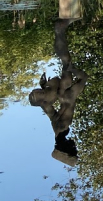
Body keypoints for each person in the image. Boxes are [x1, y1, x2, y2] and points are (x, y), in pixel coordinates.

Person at [28, 17, 88, 165]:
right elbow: (47, 108)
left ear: (65, 148)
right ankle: (60, 30)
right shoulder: (57, 130)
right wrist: (44, 92)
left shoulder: (63, 127)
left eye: (73, 150)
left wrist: (75, 73)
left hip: (67, 94)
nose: (75, 147)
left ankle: (59, 29)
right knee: (65, 60)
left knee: (67, 62)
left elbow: (57, 106)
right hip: (64, 95)